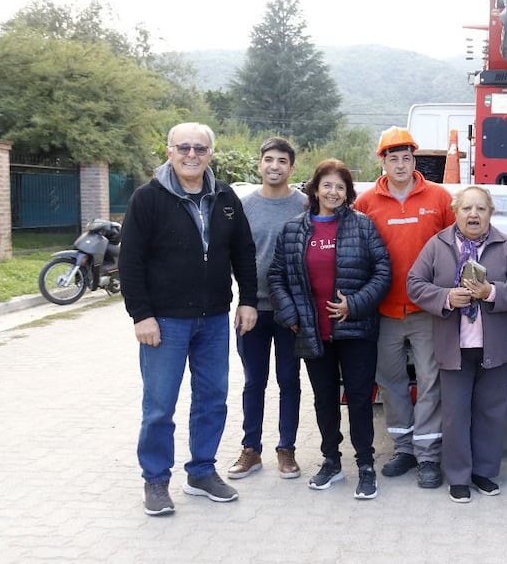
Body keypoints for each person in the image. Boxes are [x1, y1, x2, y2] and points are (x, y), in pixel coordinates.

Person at [119, 122, 258, 517]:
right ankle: (156, 480)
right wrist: (141, 315)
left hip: (214, 320)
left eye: (200, 148)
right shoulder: (148, 199)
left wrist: (247, 301)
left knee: (212, 399)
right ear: (169, 151)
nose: (192, 155)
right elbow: (130, 262)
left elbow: (243, 253)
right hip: (164, 322)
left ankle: (201, 472)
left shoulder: (226, 197)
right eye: (184, 148)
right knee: (160, 405)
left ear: (210, 153)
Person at [268, 159, 391, 499]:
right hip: (312, 330)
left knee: (360, 398)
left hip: (356, 330)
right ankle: (331, 461)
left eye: (340, 186)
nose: (333, 191)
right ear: (315, 188)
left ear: (348, 192)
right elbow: (277, 274)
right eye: (327, 185)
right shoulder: (295, 229)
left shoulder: (363, 226)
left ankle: (366, 464)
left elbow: (382, 270)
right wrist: (290, 313)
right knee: (324, 398)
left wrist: (356, 304)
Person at [407, 186, 507, 503]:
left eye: (480, 209)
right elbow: (415, 284)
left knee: (492, 413)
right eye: (466, 208)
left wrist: (490, 292)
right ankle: (459, 477)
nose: (473, 214)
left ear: (491, 213)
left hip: (495, 347)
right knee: (455, 415)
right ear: (456, 212)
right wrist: (445, 297)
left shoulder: (506, 246)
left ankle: (484, 473)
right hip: (454, 347)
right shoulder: (437, 245)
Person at [353, 126, 455, 489]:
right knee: (391, 382)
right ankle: (404, 449)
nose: (400, 164)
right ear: (382, 161)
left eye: (406, 157)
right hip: (383, 312)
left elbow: (455, 249)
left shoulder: (440, 198)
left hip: (427, 311)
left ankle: (428, 456)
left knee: (431, 382)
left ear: (415, 159)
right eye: (393, 158)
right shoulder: (365, 203)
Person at [228, 137, 308, 481]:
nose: (274, 166)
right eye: (268, 160)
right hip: (252, 310)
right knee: (253, 382)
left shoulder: (305, 205)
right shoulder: (243, 206)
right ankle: (251, 449)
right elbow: (232, 255)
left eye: (282, 161)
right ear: (259, 165)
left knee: (289, 380)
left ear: (291, 167)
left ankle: (286, 449)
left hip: (290, 313)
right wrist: (243, 300)